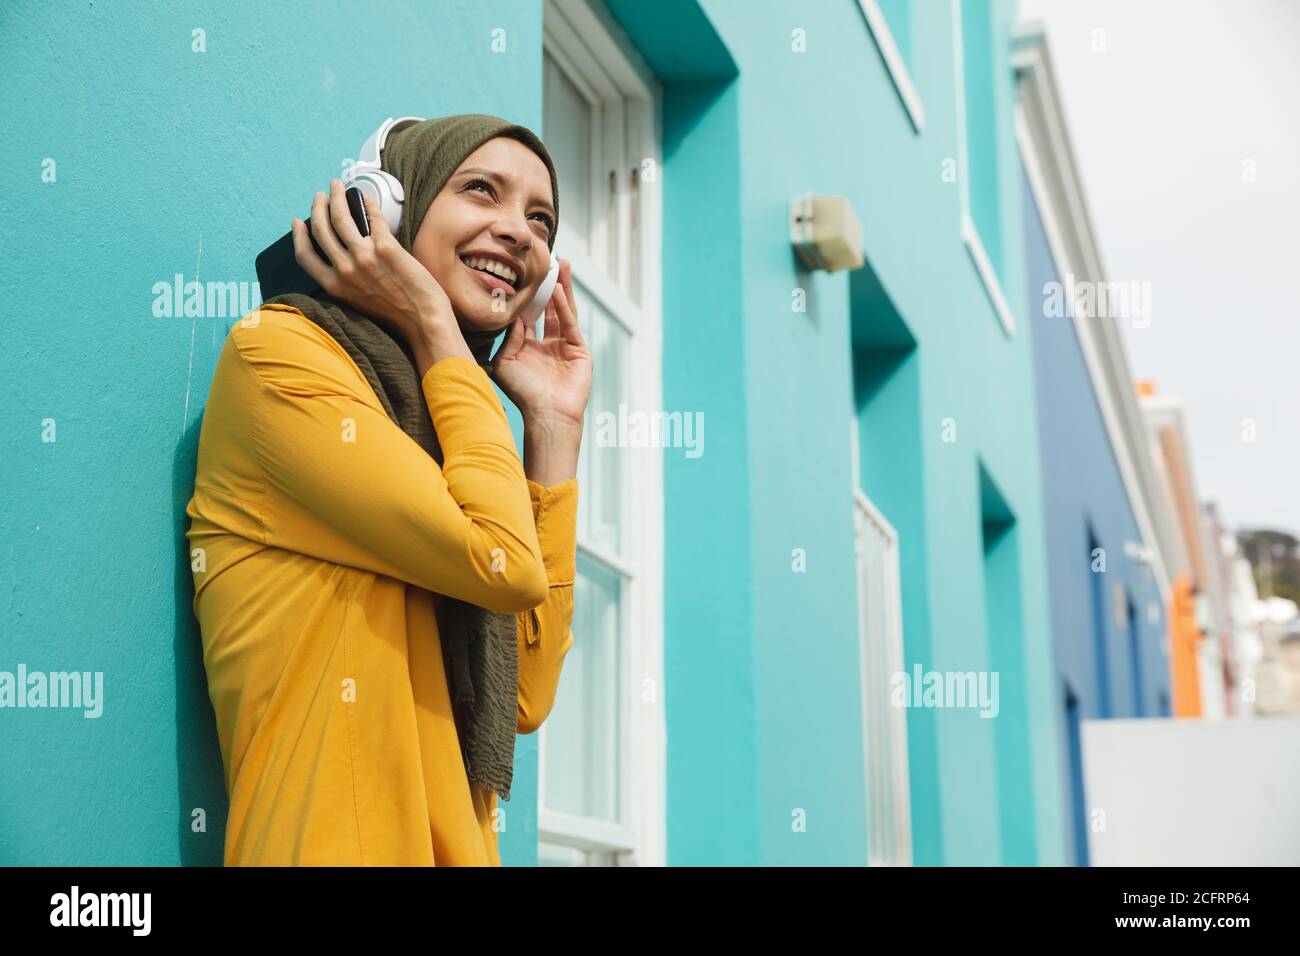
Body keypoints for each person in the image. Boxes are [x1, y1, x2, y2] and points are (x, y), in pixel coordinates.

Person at [185, 115, 591, 865]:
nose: (520, 233)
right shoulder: (280, 359)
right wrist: (434, 325)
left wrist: (554, 428)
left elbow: (525, 694)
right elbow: (503, 561)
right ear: (387, 209)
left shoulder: (453, 426)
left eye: (541, 219)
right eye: (481, 191)